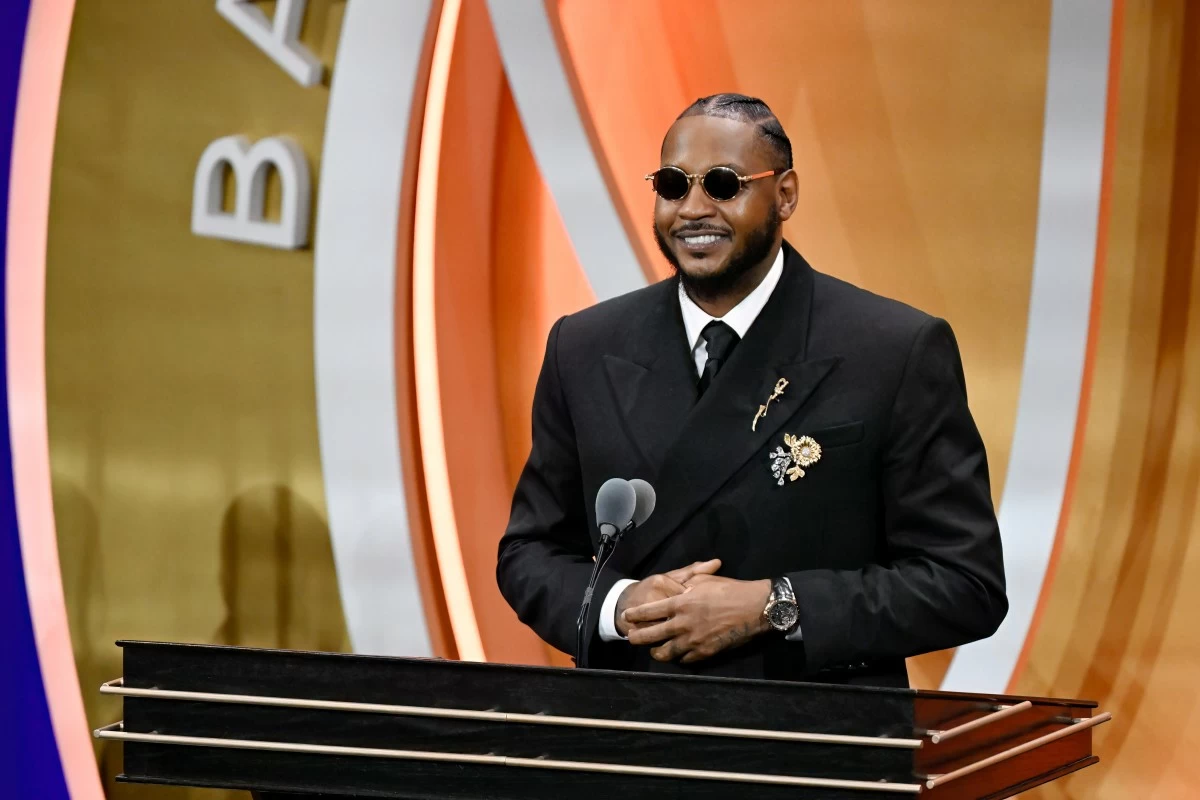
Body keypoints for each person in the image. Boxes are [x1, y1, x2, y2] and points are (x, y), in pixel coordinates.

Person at [496, 93, 1006, 687]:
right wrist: (619, 605)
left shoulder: (895, 349)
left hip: (816, 747)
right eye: (671, 184)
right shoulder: (582, 346)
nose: (692, 209)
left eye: (722, 184)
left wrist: (775, 606)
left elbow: (965, 583)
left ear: (785, 194)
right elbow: (530, 553)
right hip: (632, 742)